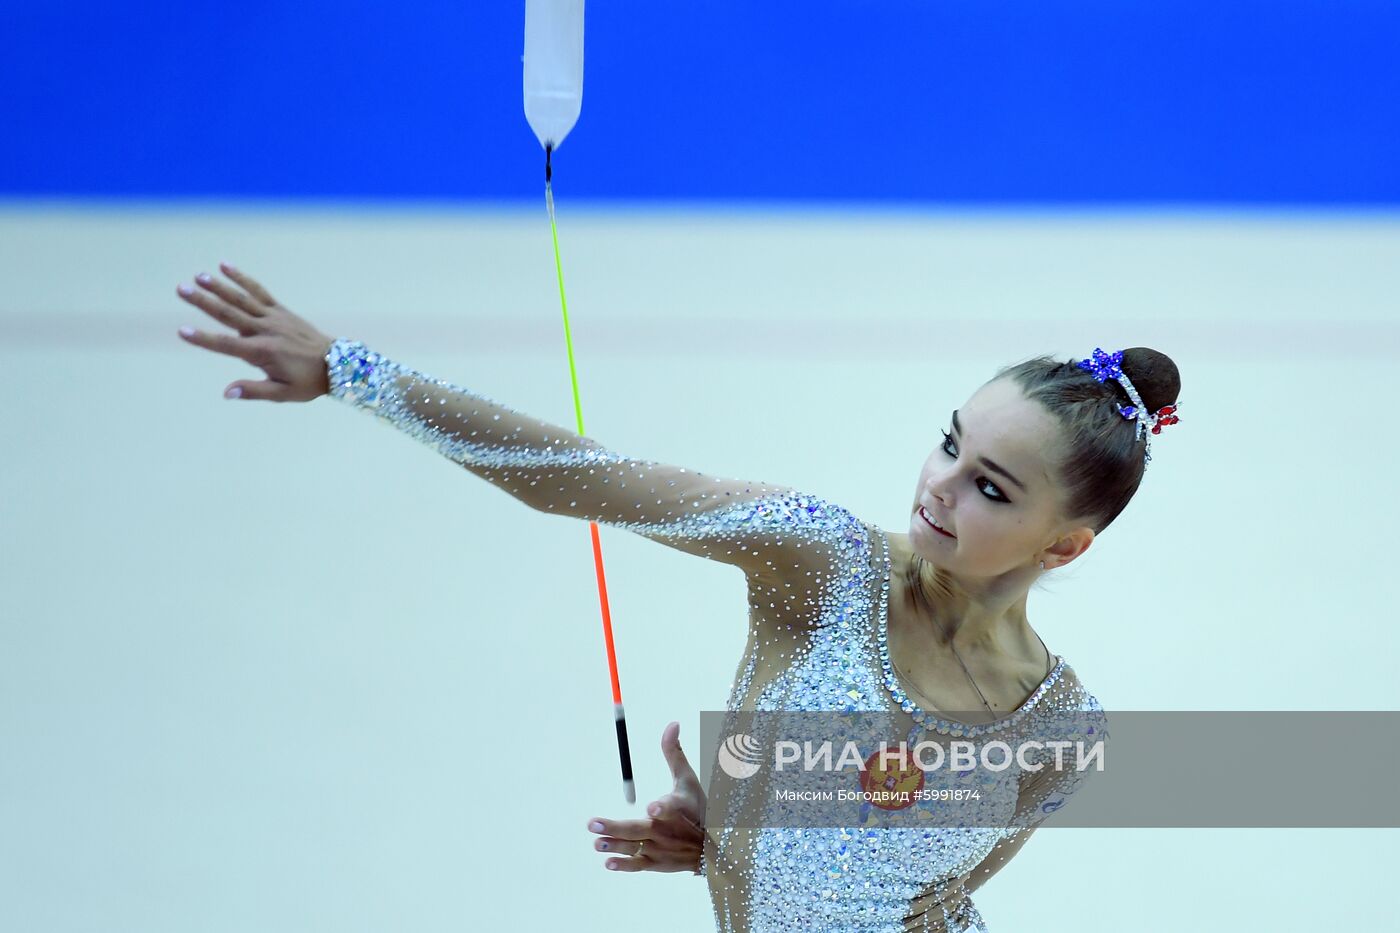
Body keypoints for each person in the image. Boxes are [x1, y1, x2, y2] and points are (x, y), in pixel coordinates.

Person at [177, 263, 1180, 932]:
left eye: (989, 487)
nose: (938, 484)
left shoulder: (1063, 729)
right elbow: (576, 475)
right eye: (950, 441)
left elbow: (930, 897)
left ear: (1066, 542)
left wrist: (754, 832)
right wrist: (352, 373)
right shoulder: (822, 561)